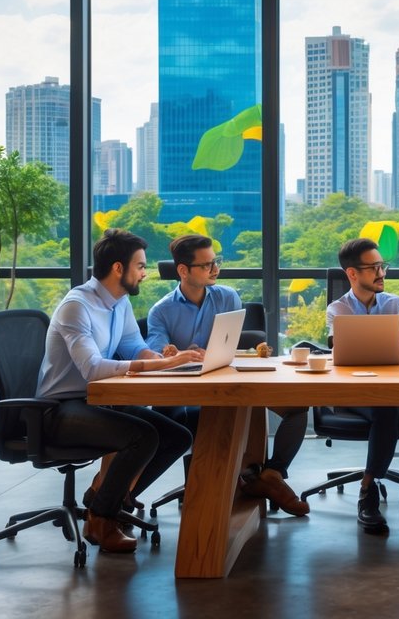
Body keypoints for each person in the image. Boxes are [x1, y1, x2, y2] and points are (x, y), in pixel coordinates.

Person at [36, 229, 199, 554]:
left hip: (100, 402)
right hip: (60, 409)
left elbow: (134, 347)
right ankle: (101, 518)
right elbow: (93, 368)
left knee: (178, 436)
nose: (145, 273)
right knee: (142, 436)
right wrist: (160, 367)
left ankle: (111, 497)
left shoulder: (118, 303)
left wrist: (168, 360)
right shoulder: (77, 306)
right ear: (117, 269)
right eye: (140, 265)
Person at [146, 234, 310, 517]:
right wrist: (170, 353)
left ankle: (272, 473)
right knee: (219, 415)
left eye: (216, 262)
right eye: (207, 265)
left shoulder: (227, 296)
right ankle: (224, 484)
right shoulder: (161, 311)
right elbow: (155, 353)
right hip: (189, 392)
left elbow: (230, 346)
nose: (215, 270)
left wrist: (250, 349)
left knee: (297, 408)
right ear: (183, 271)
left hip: (230, 380)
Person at [325, 237, 399, 534]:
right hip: (354, 393)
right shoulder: (338, 310)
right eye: (374, 267)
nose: (382, 273)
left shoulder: (395, 304)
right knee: (387, 409)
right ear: (352, 273)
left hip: (393, 389)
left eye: (382, 266)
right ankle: (368, 490)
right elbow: (342, 352)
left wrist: (398, 349)